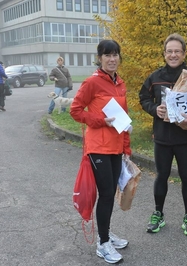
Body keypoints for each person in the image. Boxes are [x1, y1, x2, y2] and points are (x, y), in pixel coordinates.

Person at [139, 33, 187, 236]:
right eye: (169, 51)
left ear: (184, 53)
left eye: (177, 51)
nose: (173, 55)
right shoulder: (155, 77)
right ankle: (158, 214)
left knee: (186, 177)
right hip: (162, 137)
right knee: (161, 176)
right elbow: (143, 98)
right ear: (164, 53)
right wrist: (155, 110)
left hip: (185, 138)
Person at [70, 39, 131, 264]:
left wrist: (126, 147)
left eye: (115, 54)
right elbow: (75, 111)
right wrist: (101, 121)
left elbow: (123, 119)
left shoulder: (120, 83)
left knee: (110, 193)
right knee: (106, 194)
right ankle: (103, 243)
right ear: (100, 58)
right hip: (98, 148)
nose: (112, 59)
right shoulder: (92, 83)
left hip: (115, 147)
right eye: (107, 55)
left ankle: (106, 233)